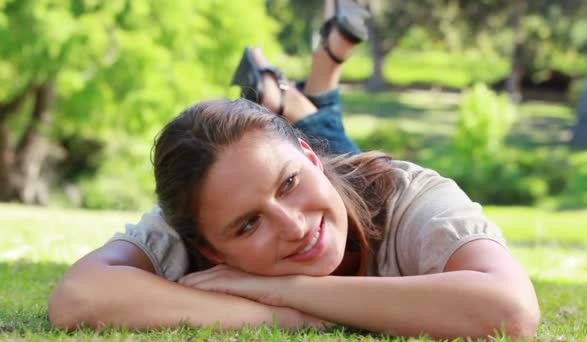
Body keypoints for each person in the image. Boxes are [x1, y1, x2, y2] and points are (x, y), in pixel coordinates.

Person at [48, 0, 540, 338]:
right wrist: (283, 319)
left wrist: (286, 289)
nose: (294, 225)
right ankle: (287, 88)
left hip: (352, 176)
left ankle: (282, 91)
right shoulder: (200, 209)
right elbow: (79, 298)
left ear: (309, 157)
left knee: (345, 158)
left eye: (289, 183)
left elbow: (509, 312)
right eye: (248, 224)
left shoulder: (410, 197)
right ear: (210, 251)